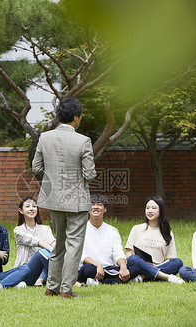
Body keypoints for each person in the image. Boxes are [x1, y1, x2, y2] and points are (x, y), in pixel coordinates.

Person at [32, 96, 97, 298]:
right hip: (76, 202)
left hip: (53, 200)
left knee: (58, 244)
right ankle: (67, 290)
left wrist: (52, 182)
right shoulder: (83, 140)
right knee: (74, 246)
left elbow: (36, 168)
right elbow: (90, 174)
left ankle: (51, 286)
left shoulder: (45, 137)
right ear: (76, 118)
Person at [77, 194, 139, 286]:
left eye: (99, 205)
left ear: (105, 209)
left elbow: (118, 253)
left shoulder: (113, 230)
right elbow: (81, 255)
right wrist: (98, 265)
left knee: (135, 265)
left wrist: (123, 267)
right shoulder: (80, 230)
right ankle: (123, 280)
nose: (96, 207)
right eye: (92, 204)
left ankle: (98, 282)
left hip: (109, 269)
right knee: (88, 270)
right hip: (91, 267)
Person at [125, 196, 185, 284]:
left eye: (154, 208)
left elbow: (170, 258)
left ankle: (144, 276)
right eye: (147, 208)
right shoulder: (136, 229)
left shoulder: (167, 232)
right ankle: (166, 277)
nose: (150, 211)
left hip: (158, 265)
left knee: (178, 262)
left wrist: (156, 266)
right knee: (133, 258)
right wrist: (144, 264)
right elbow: (129, 254)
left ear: (161, 210)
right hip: (138, 266)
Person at [14, 196, 55, 286]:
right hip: (26, 272)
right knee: (42, 252)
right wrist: (52, 250)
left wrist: (57, 251)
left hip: (43, 270)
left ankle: (40, 280)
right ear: (21, 210)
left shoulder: (45, 229)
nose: (32, 209)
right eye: (28, 206)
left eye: (34, 206)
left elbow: (53, 243)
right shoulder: (18, 230)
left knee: (49, 256)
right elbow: (36, 241)